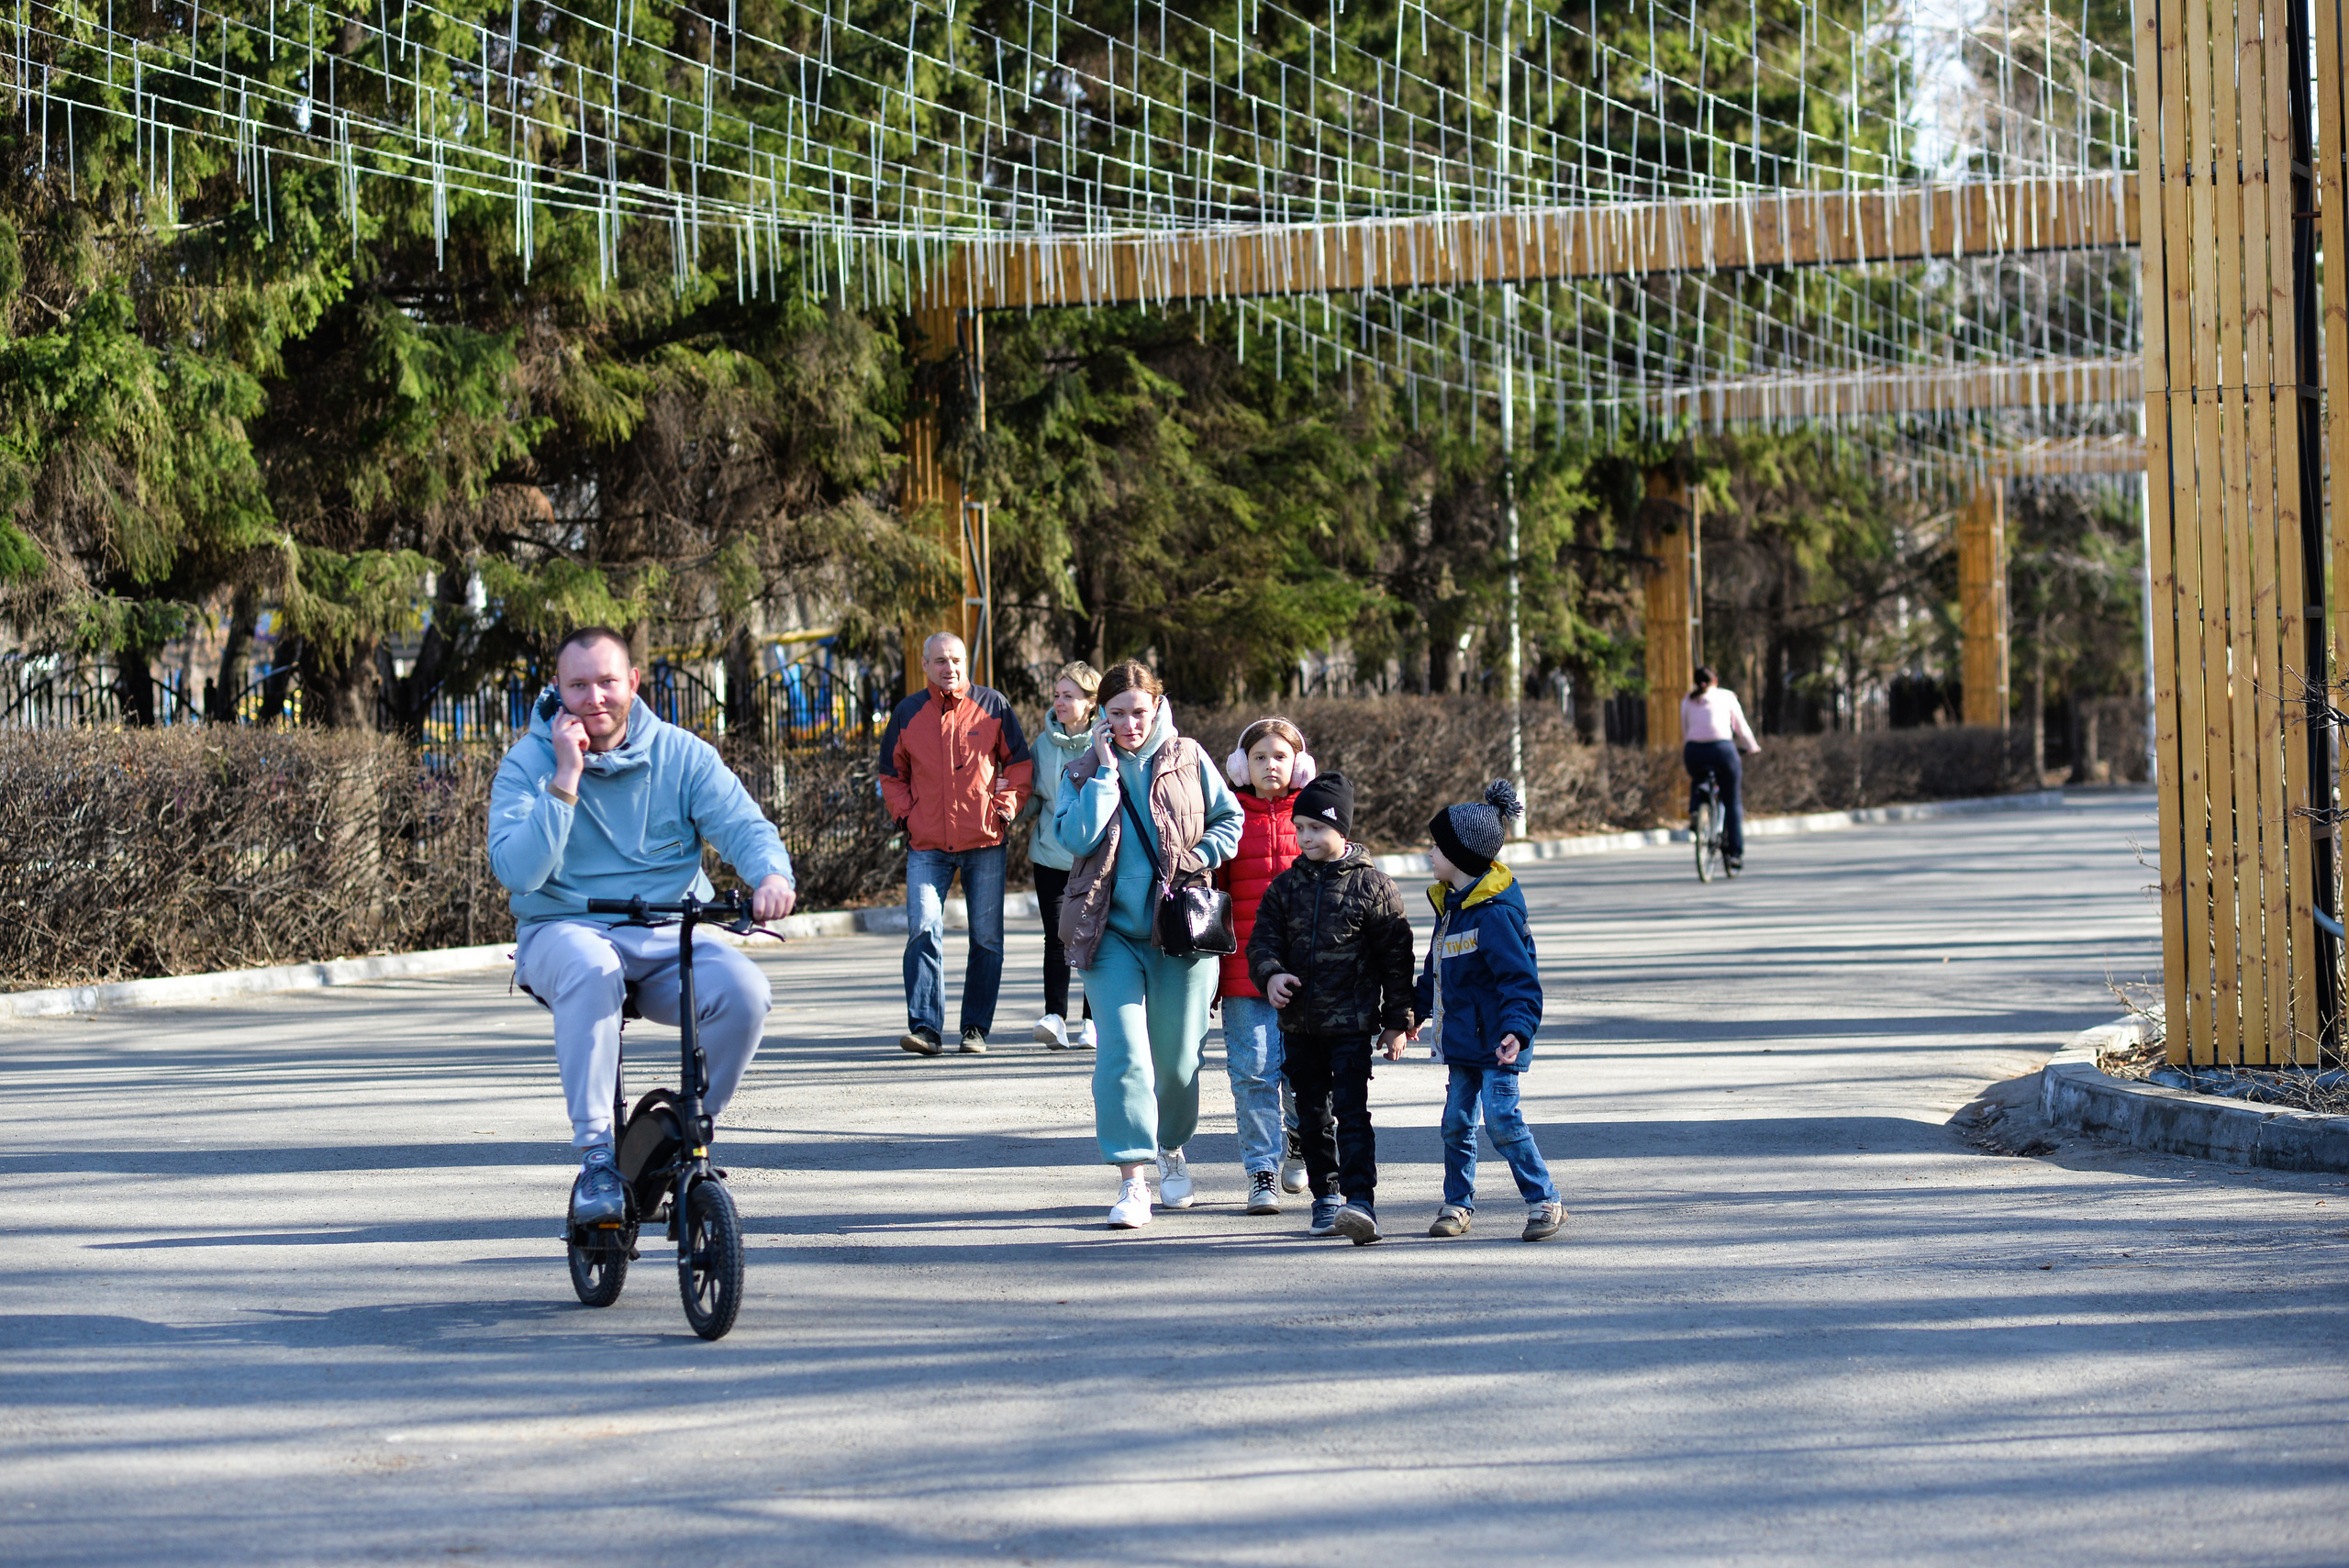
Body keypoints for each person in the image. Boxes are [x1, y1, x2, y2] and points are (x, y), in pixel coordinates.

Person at [488, 627, 798, 1230]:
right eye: (578, 685)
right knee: (592, 965)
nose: (594, 698)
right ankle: (599, 1159)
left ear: (633, 682)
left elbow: (743, 825)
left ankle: (683, 1136)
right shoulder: (528, 762)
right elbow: (518, 872)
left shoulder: (682, 755)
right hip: (563, 930)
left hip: (664, 931)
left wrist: (770, 876)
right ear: (558, 689)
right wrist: (565, 777)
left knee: (745, 992)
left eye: (607, 681)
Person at [1052, 660, 1243, 1229]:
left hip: (1180, 933)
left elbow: (1229, 820)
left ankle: (1173, 1145)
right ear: (1100, 716)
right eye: (1116, 715)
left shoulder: (1189, 757)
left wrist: (1196, 857)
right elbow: (1074, 837)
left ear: (1157, 706)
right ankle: (1132, 1180)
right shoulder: (1083, 768)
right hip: (1108, 933)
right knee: (1123, 1056)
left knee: (1179, 1063)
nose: (1130, 724)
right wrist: (1106, 774)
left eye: (1140, 712)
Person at [1248, 773, 1416, 1245]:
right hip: (1299, 1026)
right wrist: (1272, 974)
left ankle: (1361, 1201)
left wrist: (1396, 1022)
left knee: (1352, 1111)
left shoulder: (1375, 887)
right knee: (1311, 1113)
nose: (1305, 838)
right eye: (1299, 828)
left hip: (1351, 1025)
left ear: (1341, 828)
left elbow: (1396, 962)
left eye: (1316, 828)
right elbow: (1262, 943)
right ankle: (1327, 1196)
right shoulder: (1284, 888)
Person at [1413, 779, 1564, 1243]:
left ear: (1461, 856)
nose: (1430, 855)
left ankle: (1545, 1200)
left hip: (1501, 1038)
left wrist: (1518, 1030)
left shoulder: (1494, 914)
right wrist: (1407, 1017)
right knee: (1456, 1123)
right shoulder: (1451, 908)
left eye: (1436, 847)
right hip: (1463, 1041)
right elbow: (1434, 974)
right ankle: (1457, 1205)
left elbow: (1521, 981)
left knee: (1502, 1122)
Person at [877, 632, 1034, 1056]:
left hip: (984, 840)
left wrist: (1004, 808)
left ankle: (975, 1030)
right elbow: (891, 775)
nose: (950, 668)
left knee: (986, 938)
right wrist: (907, 817)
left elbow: (1018, 766)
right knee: (923, 929)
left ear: (967, 663)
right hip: (927, 843)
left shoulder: (993, 704)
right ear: (925, 665)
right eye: (941, 661)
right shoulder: (907, 712)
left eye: (957, 660)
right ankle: (926, 1029)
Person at [1217, 717, 1319, 1214]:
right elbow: (1212, 899)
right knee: (1254, 1072)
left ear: (1298, 764)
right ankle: (1261, 1171)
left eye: (1280, 756)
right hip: (1243, 973)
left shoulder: (1315, 818)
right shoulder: (1229, 816)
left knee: (1303, 1073)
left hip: (1308, 975)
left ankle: (1299, 1141)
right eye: (1259, 757)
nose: (1270, 765)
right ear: (1242, 765)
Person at [1023, 661, 1101, 1051]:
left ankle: (1092, 1021)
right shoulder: (1042, 743)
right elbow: (1034, 799)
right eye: (1057, 695)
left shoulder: (1104, 741)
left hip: (1092, 857)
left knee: (1092, 935)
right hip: (1049, 856)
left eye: (1068, 696)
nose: (1059, 702)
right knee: (1056, 937)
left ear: (1090, 703)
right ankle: (1055, 1017)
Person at [1680, 665, 1761, 873]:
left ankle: (1696, 809)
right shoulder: (1727, 696)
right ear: (1715, 680)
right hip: (1722, 750)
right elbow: (1741, 727)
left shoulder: (1688, 699)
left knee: (1698, 778)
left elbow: (1686, 728)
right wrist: (1752, 747)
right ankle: (1734, 853)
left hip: (1694, 751)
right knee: (1732, 801)